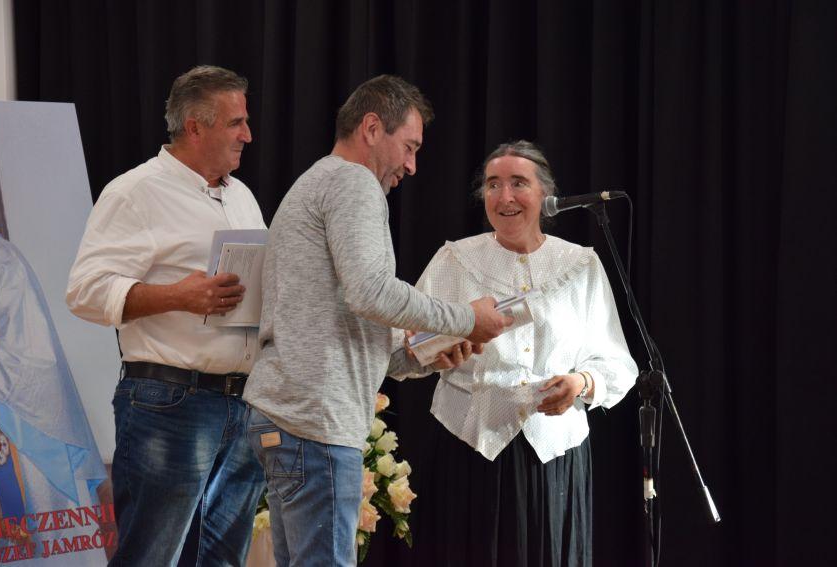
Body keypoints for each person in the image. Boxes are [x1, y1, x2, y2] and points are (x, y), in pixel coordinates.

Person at [243, 75, 511, 567]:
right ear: (371, 128)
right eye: (409, 147)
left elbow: (345, 318)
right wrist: (465, 319)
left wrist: (422, 355)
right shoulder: (353, 182)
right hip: (315, 422)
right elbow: (370, 292)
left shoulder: (321, 182)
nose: (411, 165)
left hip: (293, 415)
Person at [66, 65, 266, 566]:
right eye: (236, 122)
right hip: (171, 404)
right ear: (195, 127)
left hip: (242, 402)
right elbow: (85, 291)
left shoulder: (241, 196)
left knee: (221, 560)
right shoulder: (135, 192)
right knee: (150, 557)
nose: (248, 134)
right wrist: (179, 296)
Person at [406, 140, 638, 566]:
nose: (504, 196)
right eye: (493, 184)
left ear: (545, 194)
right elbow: (409, 347)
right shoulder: (454, 259)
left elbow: (616, 361)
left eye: (518, 183)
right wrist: (433, 356)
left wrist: (581, 382)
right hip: (468, 449)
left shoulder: (580, 265)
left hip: (554, 454)